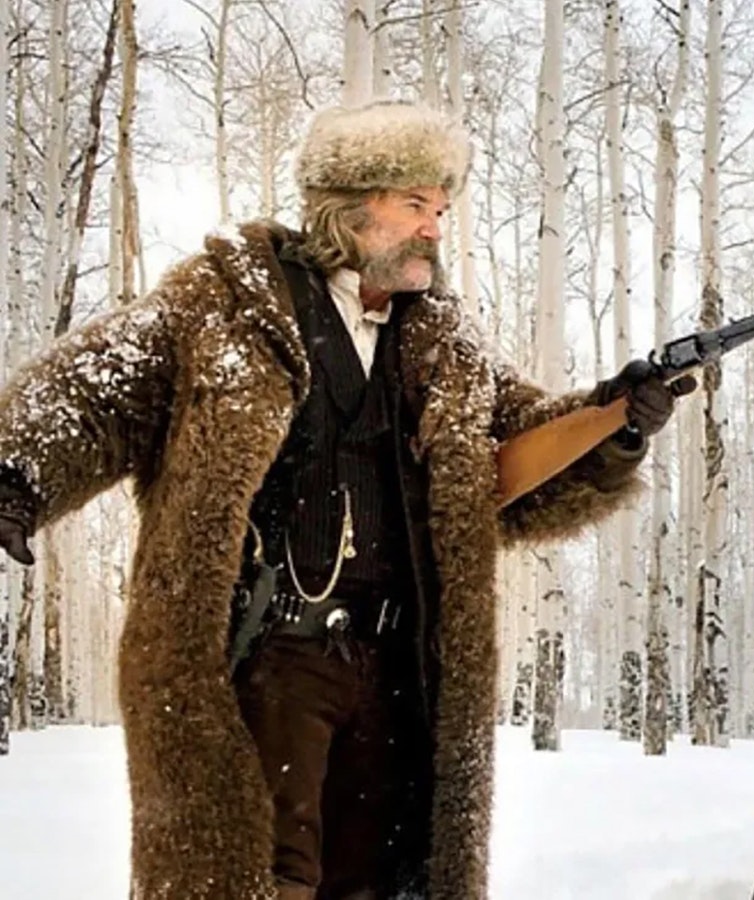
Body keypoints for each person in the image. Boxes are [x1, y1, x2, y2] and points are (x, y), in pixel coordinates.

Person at [0, 100, 690, 899]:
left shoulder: (442, 345)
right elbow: (94, 392)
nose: (436, 229)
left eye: (442, 210)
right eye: (415, 207)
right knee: (263, 877)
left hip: (397, 665)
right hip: (266, 655)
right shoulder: (223, 305)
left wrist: (616, 424)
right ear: (351, 207)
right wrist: (14, 473)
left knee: (380, 878)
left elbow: (516, 464)